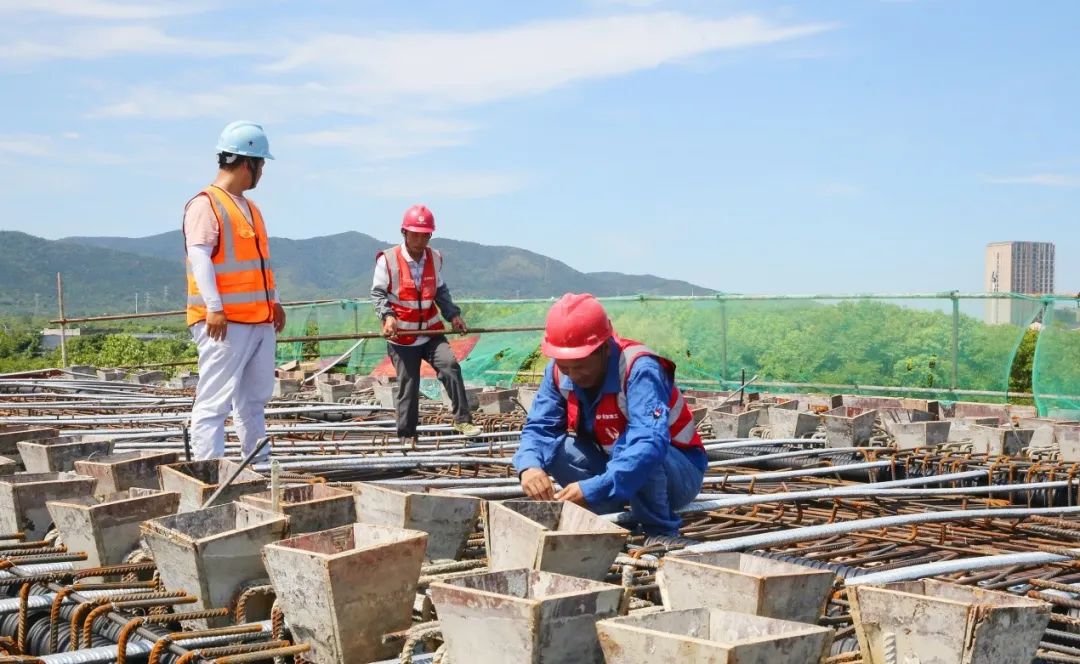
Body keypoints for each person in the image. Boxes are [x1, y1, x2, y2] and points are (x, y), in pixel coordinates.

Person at [512, 293, 707, 547]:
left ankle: (659, 531)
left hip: (677, 474)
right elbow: (540, 428)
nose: (573, 375)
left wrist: (594, 486)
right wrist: (529, 467)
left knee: (639, 449)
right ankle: (607, 512)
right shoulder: (558, 372)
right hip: (613, 467)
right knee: (557, 450)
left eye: (580, 365)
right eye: (565, 366)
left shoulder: (639, 368)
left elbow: (648, 443)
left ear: (604, 348)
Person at [183, 121, 285, 461]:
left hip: (259, 320)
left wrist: (276, 302)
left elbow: (260, 263)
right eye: (262, 164)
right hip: (224, 323)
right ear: (247, 163)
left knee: (253, 403)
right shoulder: (206, 204)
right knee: (213, 404)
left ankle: (257, 469)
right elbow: (200, 257)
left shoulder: (251, 209)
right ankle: (209, 475)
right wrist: (214, 307)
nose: (263, 172)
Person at [371, 205, 482, 445]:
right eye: (415, 234)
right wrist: (387, 316)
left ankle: (463, 419)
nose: (420, 240)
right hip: (403, 337)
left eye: (425, 235)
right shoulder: (388, 260)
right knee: (409, 386)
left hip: (431, 332)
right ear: (404, 232)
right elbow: (378, 295)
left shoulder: (434, 257)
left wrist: (453, 315)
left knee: (450, 366)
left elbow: (440, 291)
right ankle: (407, 436)